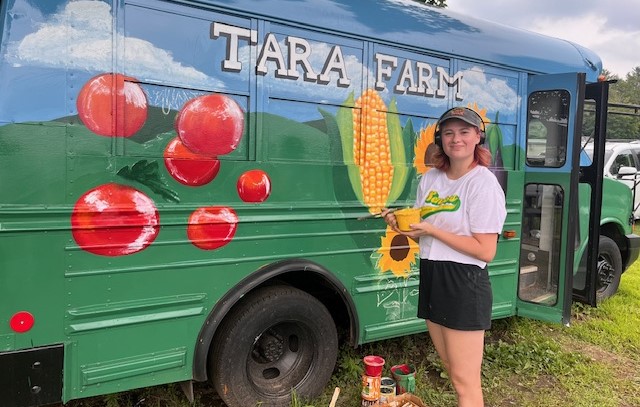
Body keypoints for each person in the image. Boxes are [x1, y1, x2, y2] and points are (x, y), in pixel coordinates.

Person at [382, 107, 506, 407]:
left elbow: (485, 250)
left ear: (478, 137)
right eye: (449, 133)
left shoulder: (483, 183)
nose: (456, 139)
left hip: (464, 282)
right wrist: (403, 226)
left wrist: (433, 231)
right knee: (452, 370)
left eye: (464, 132)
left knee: (466, 382)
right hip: (433, 274)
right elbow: (423, 231)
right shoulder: (431, 179)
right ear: (440, 139)